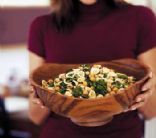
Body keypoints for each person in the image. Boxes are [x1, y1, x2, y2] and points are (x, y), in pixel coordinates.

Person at [28, 0, 156, 138]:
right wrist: (44, 93)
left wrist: (145, 89)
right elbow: (35, 117)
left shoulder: (141, 17)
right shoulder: (41, 26)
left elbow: (151, 111)